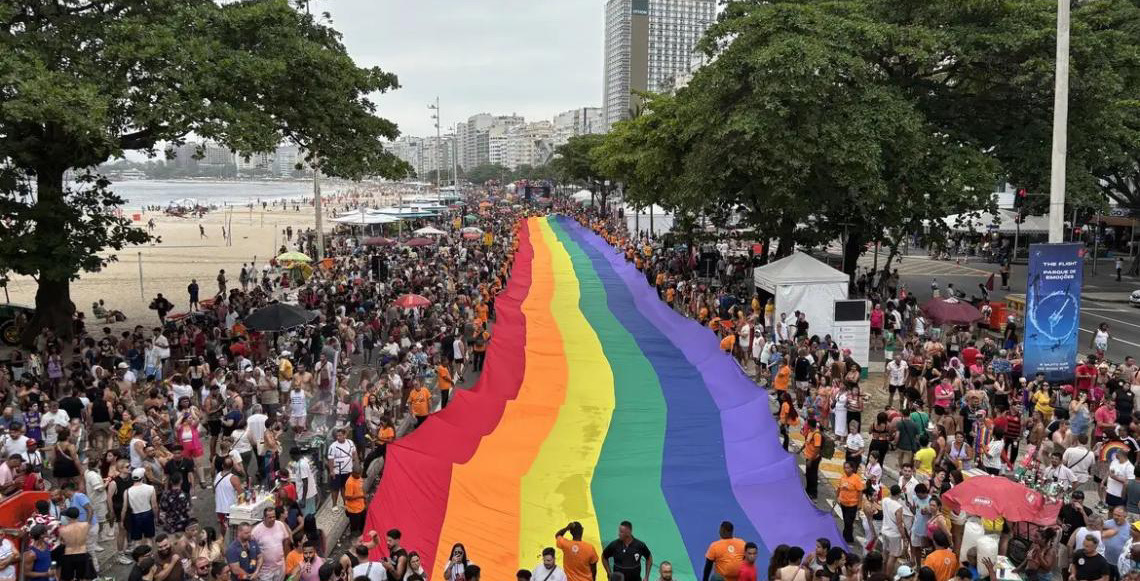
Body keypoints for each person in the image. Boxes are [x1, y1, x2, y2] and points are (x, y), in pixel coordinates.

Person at [251, 507, 290, 581]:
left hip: (280, 567)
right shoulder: (256, 531)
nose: (272, 519)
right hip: (265, 571)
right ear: (264, 518)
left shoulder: (280, 525)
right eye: (270, 517)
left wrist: (284, 558)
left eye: (274, 517)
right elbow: (252, 550)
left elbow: (286, 541)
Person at [59, 506, 95, 581]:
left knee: (69, 578)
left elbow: (62, 542)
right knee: (82, 577)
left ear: (68, 517)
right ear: (78, 515)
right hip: (82, 553)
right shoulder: (85, 525)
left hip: (68, 554)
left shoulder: (62, 530)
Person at [325, 429, 357, 509]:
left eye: (340, 436)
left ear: (345, 435)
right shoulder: (333, 446)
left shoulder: (350, 443)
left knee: (345, 487)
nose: (338, 437)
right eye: (337, 436)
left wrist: (355, 464)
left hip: (348, 470)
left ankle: (345, 503)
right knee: (335, 488)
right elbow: (331, 459)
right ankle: (334, 505)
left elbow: (354, 453)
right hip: (337, 471)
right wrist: (331, 471)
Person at [837, 461, 864, 544]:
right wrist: (837, 497)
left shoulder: (856, 478)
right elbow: (838, 488)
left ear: (852, 468)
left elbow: (860, 491)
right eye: (845, 468)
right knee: (846, 521)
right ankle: (848, 538)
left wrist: (859, 504)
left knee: (849, 522)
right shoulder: (842, 477)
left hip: (852, 505)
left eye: (848, 468)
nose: (846, 469)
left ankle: (846, 538)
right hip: (843, 503)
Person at [343, 466, 367, 534]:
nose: (359, 475)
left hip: (361, 507)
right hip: (354, 510)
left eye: (359, 473)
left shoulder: (359, 478)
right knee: (354, 528)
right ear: (352, 472)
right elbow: (348, 497)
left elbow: (362, 488)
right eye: (357, 473)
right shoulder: (350, 483)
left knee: (363, 524)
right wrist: (361, 496)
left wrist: (365, 501)